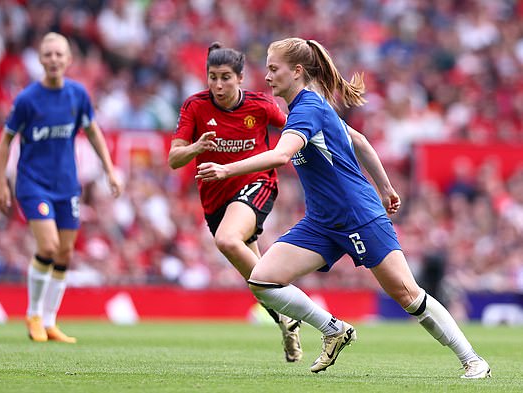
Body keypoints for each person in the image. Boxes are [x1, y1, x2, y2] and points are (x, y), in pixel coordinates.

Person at [195, 38, 491, 379]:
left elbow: (280, 155)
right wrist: (385, 186)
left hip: (358, 216)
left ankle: (473, 360)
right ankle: (333, 328)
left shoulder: (307, 109)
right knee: (263, 280)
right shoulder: (310, 106)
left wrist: (226, 169)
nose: (267, 76)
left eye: (274, 68)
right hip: (322, 222)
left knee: (408, 294)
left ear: (297, 71)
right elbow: (360, 141)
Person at [168, 42, 303, 362]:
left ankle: (294, 306)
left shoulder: (260, 105)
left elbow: (295, 130)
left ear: (240, 78)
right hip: (216, 199)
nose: (218, 85)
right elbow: (175, 158)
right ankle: (286, 321)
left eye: (225, 77)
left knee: (227, 240)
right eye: (212, 77)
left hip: (257, 184)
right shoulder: (195, 107)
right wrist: (196, 147)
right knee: (257, 279)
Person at [0, 32, 121, 343]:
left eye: (59, 54)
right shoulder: (27, 100)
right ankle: (33, 314)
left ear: (68, 60)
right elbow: (5, 140)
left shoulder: (78, 95)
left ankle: (50, 321)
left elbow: (93, 133)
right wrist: (1, 182)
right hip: (32, 183)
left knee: (64, 253)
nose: (53, 59)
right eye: (48, 54)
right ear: (40, 59)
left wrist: (109, 170)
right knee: (48, 247)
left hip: (66, 185)